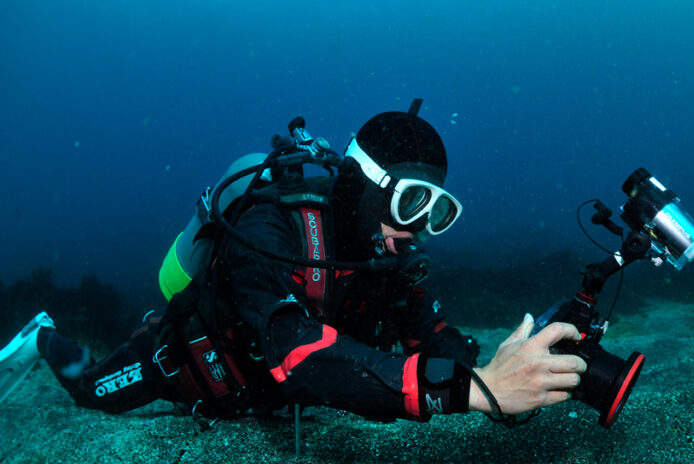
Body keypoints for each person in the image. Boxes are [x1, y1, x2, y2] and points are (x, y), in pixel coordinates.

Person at [0, 105, 587, 426]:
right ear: (364, 187)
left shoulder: (389, 258)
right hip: (189, 365)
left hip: (269, 402)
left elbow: (431, 340)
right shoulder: (270, 226)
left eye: (437, 212)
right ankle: (43, 336)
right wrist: (478, 392)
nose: (416, 229)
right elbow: (295, 349)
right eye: (410, 202)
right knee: (92, 391)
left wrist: (515, 370)